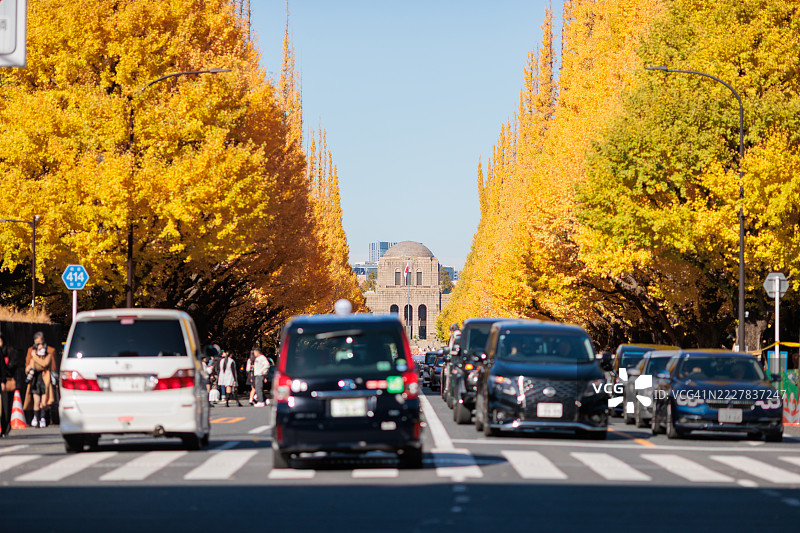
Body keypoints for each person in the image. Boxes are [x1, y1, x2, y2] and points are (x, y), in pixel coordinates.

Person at [24, 332, 57, 428]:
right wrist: (28, 369)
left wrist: (35, 358)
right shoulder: (31, 350)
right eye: (36, 343)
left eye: (40, 343)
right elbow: (27, 364)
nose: (38, 345)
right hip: (35, 378)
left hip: (45, 378)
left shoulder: (50, 351)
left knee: (45, 401)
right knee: (36, 401)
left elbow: (50, 365)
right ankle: (36, 418)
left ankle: (43, 418)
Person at [0, 332, 13, 437]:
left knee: (5, 407)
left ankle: (5, 429)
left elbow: (2, 367)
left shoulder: (9, 350)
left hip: (3, 381)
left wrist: (3, 381)